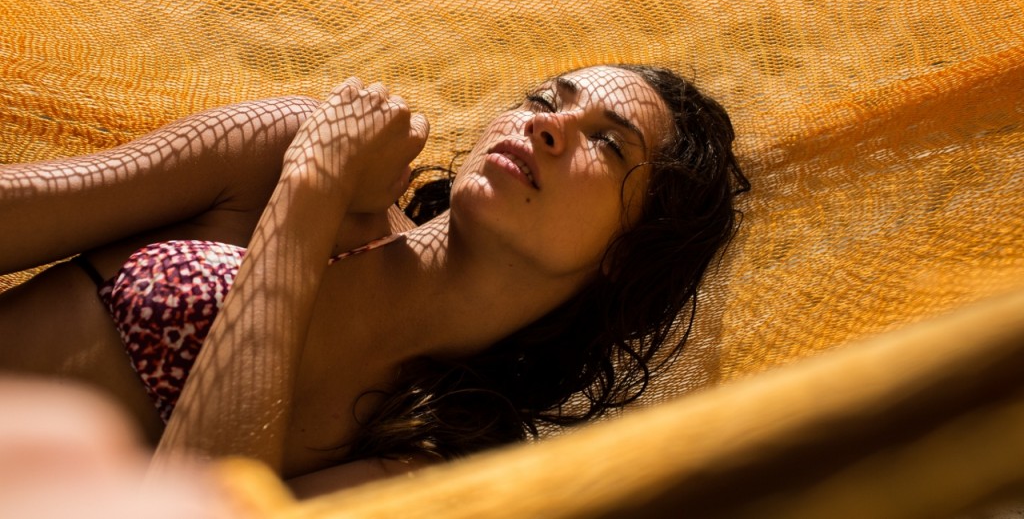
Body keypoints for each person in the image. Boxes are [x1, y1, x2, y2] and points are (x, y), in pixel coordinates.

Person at [0, 64, 749, 496]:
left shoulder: (442, 457)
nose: (547, 126)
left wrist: (312, 192)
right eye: (546, 101)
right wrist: (305, 168)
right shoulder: (283, 143)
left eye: (608, 146)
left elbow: (206, 507)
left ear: (630, 255)